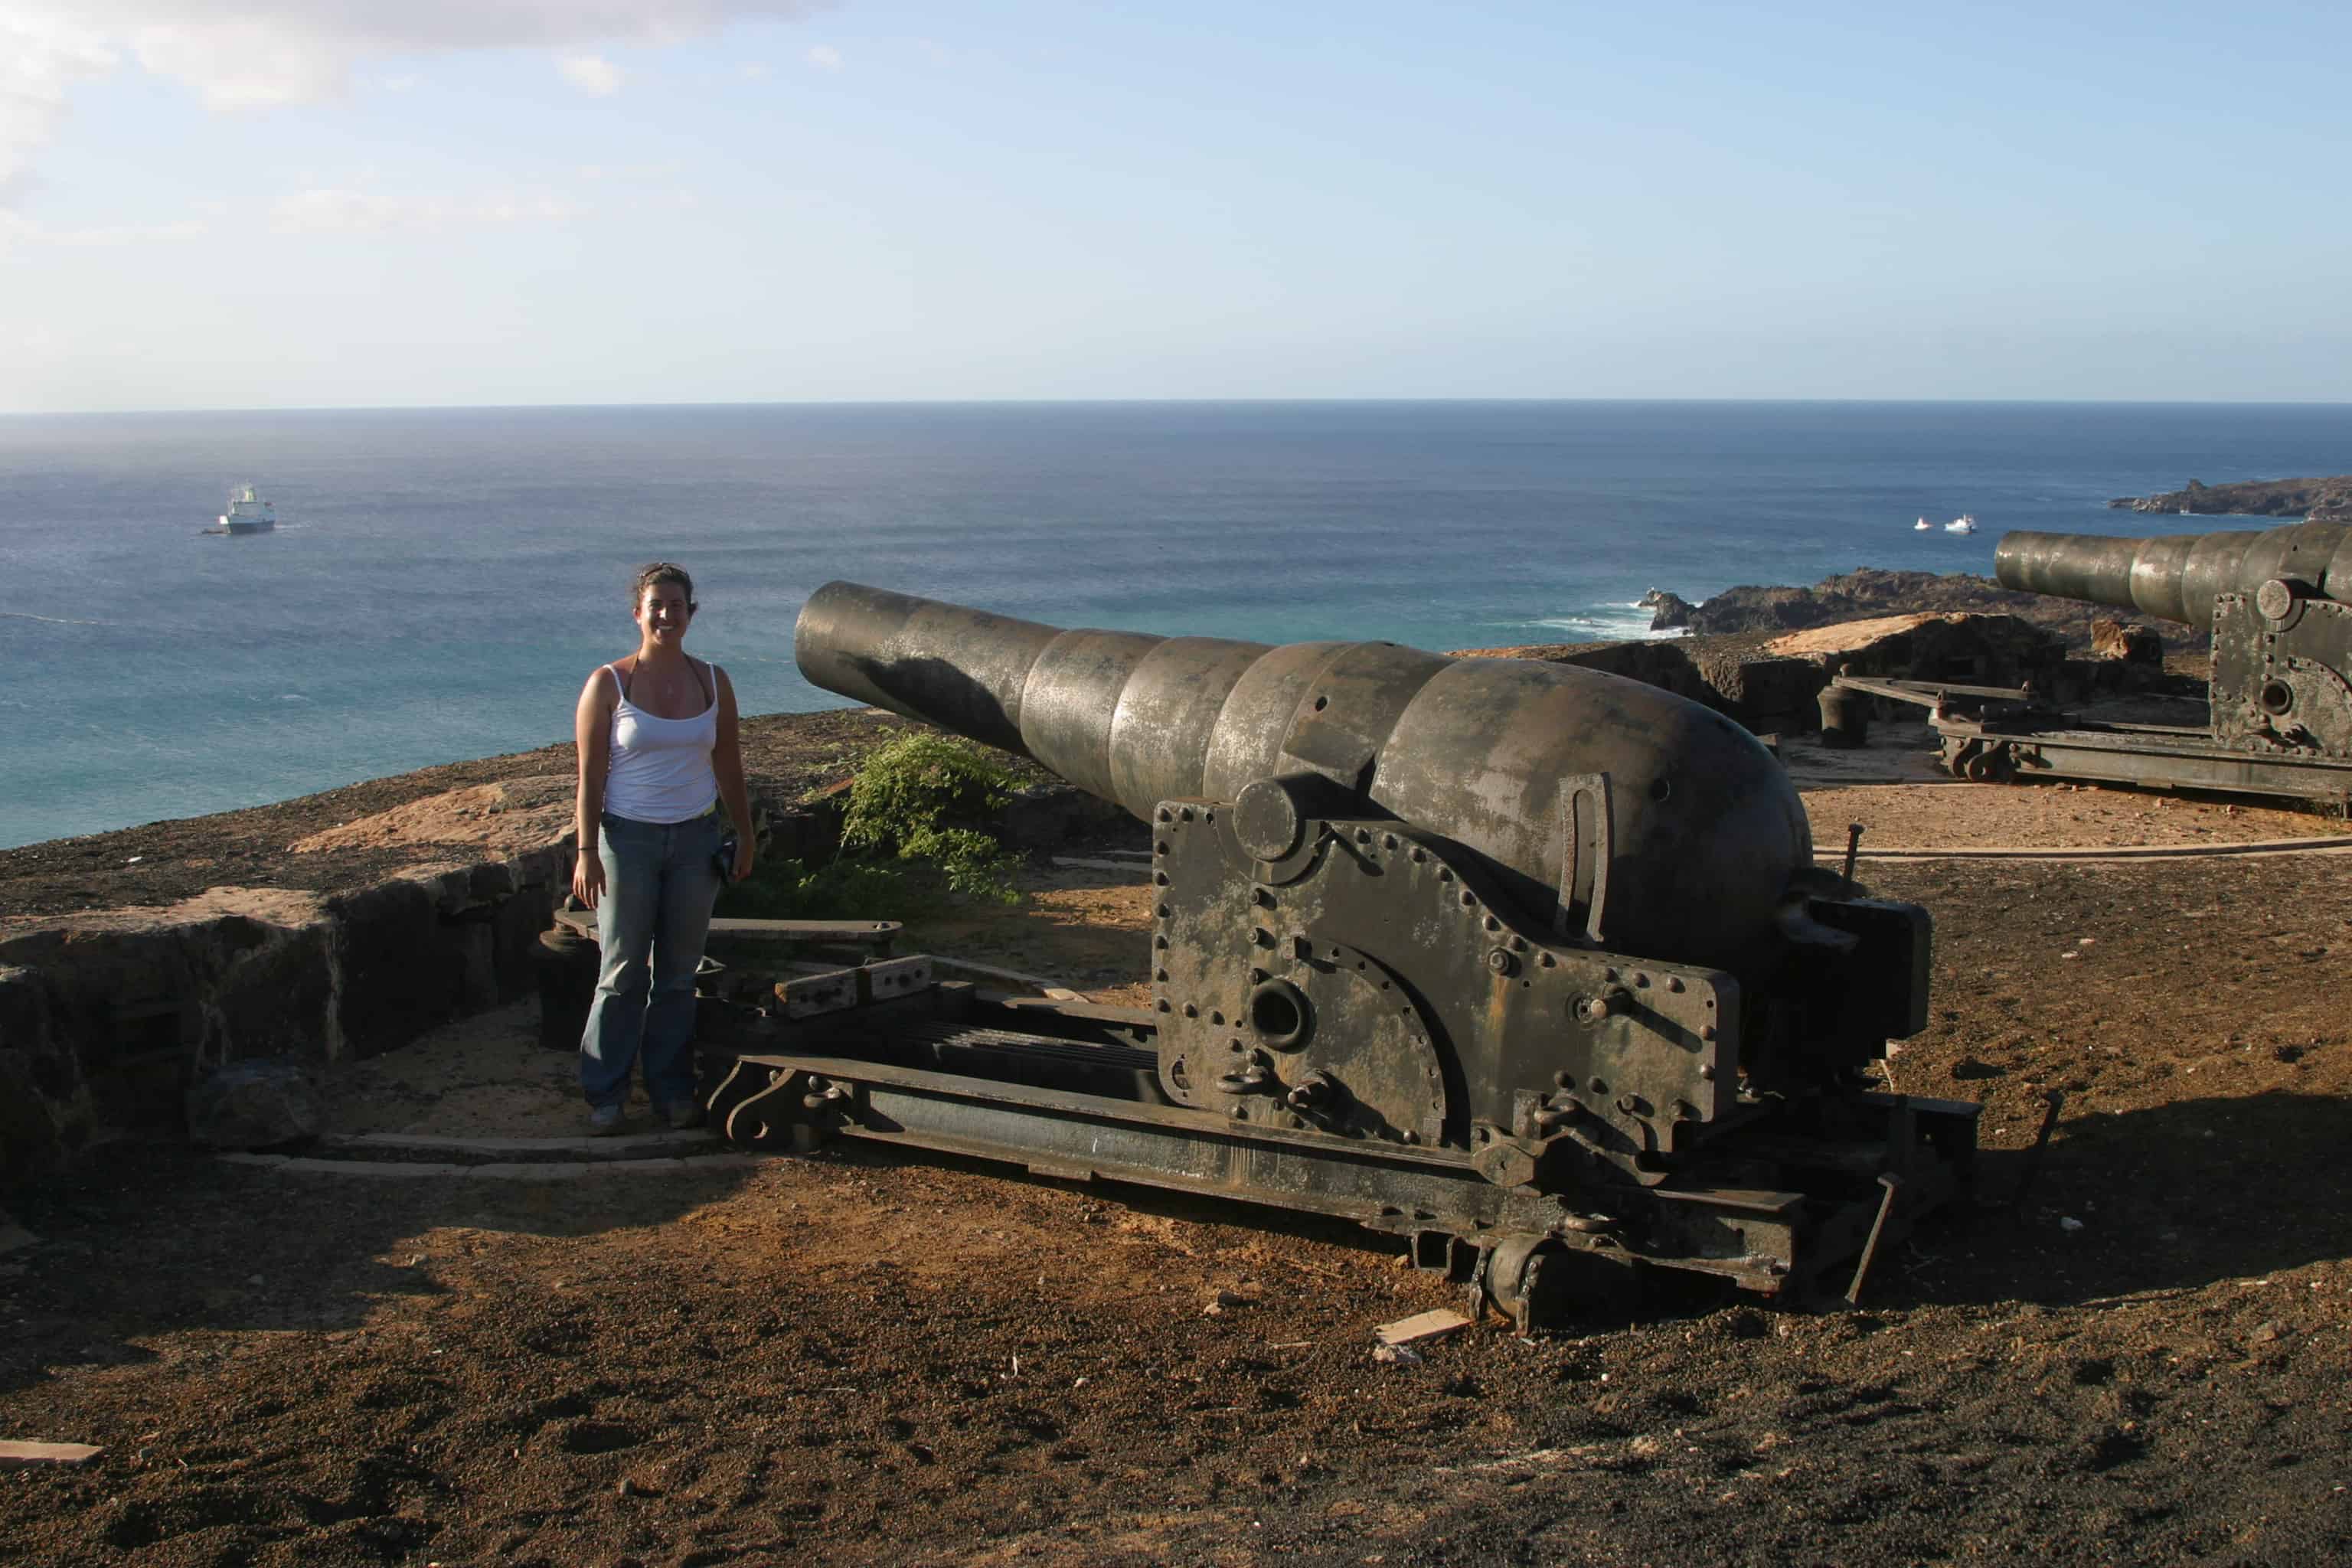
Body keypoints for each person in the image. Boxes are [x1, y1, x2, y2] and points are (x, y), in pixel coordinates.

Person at [570, 562, 755, 1135]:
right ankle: (606, 1094)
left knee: (677, 975)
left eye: (676, 606)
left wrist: (745, 833)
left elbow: (728, 764)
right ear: (638, 613)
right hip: (628, 840)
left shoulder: (712, 681)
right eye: (656, 606)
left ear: (690, 613)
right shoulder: (609, 683)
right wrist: (586, 850)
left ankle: (671, 1090)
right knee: (621, 971)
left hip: (696, 839)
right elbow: (590, 777)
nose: (666, 616)